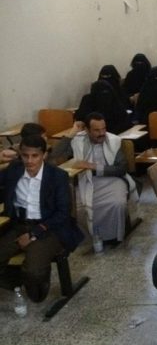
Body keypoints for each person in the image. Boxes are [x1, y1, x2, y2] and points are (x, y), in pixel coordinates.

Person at [0, 135, 84, 302]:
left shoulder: (57, 176)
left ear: (44, 155)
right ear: (20, 155)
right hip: (19, 225)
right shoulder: (14, 169)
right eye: (25, 155)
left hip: (49, 228)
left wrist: (33, 234)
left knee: (33, 271)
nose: (29, 161)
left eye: (35, 156)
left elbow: (62, 213)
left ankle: (36, 282)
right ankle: (14, 280)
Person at [54, 112, 136, 244]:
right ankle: (96, 238)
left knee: (117, 203)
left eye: (104, 129)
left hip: (113, 179)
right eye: (97, 130)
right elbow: (55, 154)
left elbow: (121, 169)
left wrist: (93, 166)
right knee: (81, 208)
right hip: (87, 180)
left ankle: (115, 236)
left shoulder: (113, 141)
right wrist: (71, 134)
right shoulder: (78, 141)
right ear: (87, 130)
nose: (102, 133)